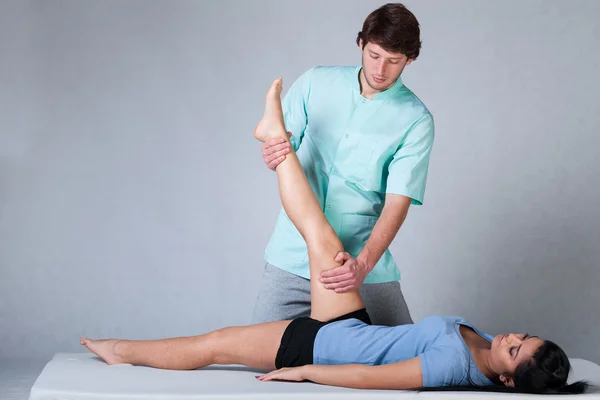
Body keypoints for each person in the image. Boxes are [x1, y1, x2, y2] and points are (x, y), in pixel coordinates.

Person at [81, 78, 587, 394]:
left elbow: (372, 378)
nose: (512, 338)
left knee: (216, 344)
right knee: (317, 227)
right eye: (524, 336)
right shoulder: (479, 346)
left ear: (504, 378)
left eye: (515, 351)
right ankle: (275, 137)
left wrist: (303, 372)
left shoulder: (450, 366)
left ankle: (120, 350)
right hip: (351, 326)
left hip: (321, 347)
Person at [253, 2, 434, 327]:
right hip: (292, 252)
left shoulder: (416, 120)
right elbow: (283, 151)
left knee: (407, 358)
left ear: (410, 59)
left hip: (358, 260)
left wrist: (362, 265)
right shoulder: (315, 82)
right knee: (266, 358)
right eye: (375, 55)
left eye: (394, 61)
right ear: (361, 43)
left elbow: (397, 204)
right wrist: (272, 151)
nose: (381, 70)